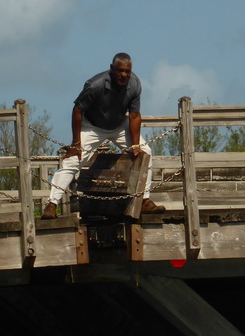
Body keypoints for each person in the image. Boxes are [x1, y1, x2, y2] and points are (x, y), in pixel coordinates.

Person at [41, 52, 165, 219]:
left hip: (119, 125)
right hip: (92, 126)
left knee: (146, 152)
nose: (124, 75)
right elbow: (78, 110)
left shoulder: (135, 85)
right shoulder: (95, 85)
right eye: (120, 71)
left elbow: (134, 115)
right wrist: (76, 143)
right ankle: (51, 204)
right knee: (73, 160)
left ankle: (144, 200)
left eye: (127, 71)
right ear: (112, 69)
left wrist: (135, 145)